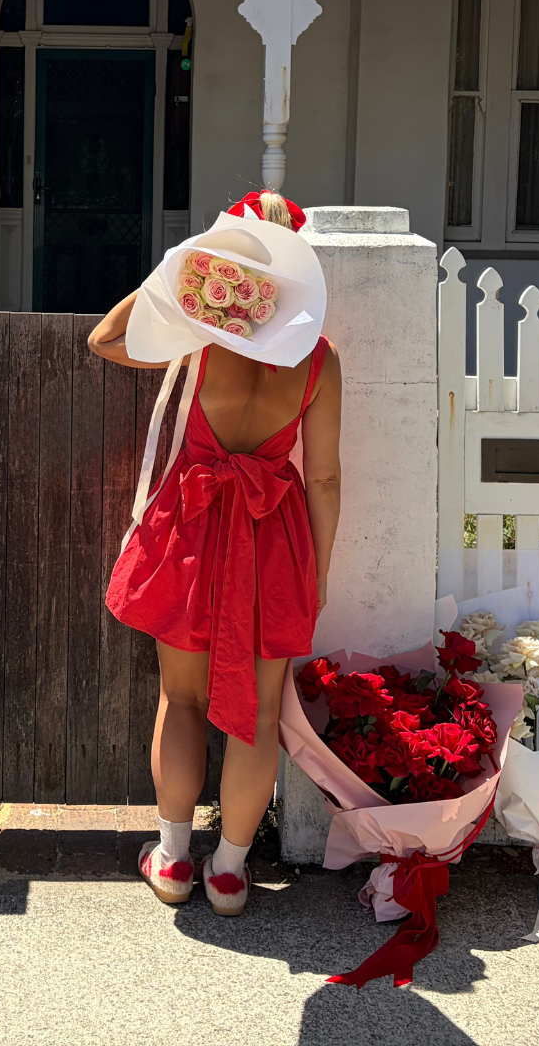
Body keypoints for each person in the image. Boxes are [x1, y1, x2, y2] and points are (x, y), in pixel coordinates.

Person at [88, 191, 342, 916]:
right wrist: (317, 571)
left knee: (183, 699)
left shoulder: (201, 334)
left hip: (194, 529)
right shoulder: (319, 359)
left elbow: (105, 339)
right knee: (261, 715)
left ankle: (171, 862)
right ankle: (230, 873)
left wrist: (176, 279)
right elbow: (322, 476)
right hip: (274, 537)